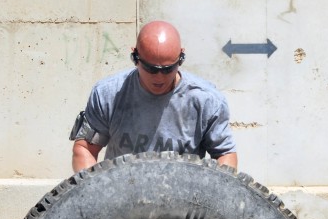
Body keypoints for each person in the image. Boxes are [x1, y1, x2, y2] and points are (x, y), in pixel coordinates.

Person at [69, 21, 238, 172]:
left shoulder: (207, 101)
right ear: (135, 57)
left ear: (181, 58)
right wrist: (97, 195)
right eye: (151, 69)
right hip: (122, 197)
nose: (159, 77)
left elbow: (225, 155)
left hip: (183, 200)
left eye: (167, 69)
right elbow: (85, 149)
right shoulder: (108, 94)